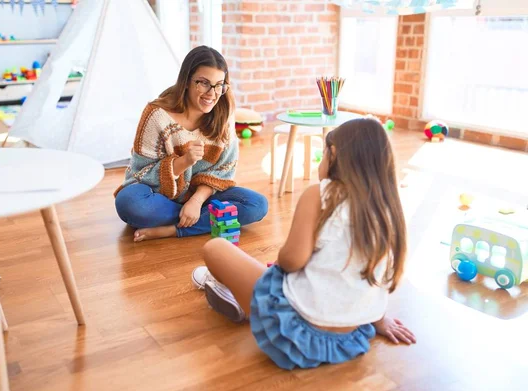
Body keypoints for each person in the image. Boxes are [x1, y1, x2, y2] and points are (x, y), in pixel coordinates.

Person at [191, 118, 416, 370]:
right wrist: (379, 319)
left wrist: (281, 261)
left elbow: (291, 261)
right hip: (346, 337)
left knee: (215, 248)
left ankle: (231, 293)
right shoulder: (390, 211)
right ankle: (239, 297)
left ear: (333, 155)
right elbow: (374, 277)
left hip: (293, 331)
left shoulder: (320, 194)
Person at [114, 45, 268, 242]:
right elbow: (140, 174)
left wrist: (196, 200)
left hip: (203, 197)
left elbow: (223, 170)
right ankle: (203, 218)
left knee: (257, 205)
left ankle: (174, 229)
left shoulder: (224, 111)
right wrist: (183, 162)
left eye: (219, 84)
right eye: (203, 83)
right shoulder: (156, 115)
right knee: (129, 203)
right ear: (186, 81)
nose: (212, 94)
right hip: (159, 196)